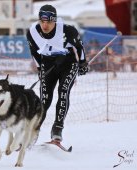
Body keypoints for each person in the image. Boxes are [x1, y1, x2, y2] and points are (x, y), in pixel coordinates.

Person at [26, 4, 89, 142]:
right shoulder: (33, 32)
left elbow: (79, 47)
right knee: (44, 99)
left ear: (54, 20)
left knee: (63, 91)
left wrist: (83, 63)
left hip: (68, 64)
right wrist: (39, 69)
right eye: (42, 21)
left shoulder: (68, 31)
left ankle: (57, 128)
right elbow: (34, 53)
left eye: (48, 22)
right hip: (48, 65)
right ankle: (34, 130)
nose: (45, 25)